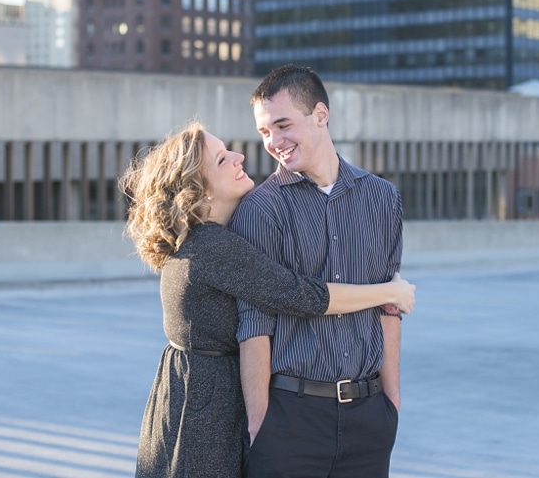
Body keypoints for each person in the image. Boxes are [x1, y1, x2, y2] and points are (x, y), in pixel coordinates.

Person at [119, 121, 416, 478]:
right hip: (206, 413)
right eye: (221, 159)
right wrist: (390, 291)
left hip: (192, 396)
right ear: (201, 193)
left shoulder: (203, 241)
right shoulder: (213, 247)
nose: (239, 156)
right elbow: (301, 295)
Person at [230, 64, 405, 478]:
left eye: (283, 125)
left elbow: (389, 305)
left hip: (369, 418)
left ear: (321, 116)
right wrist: (260, 426)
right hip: (291, 420)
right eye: (264, 132)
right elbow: (254, 322)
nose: (274, 142)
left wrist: (392, 403)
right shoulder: (260, 209)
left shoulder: (382, 198)